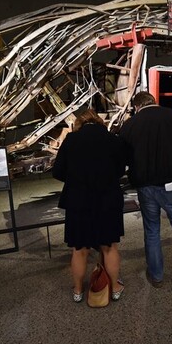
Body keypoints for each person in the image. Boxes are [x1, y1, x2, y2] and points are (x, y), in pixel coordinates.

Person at [119, 91, 172, 287]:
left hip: (146, 187)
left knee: (152, 230)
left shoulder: (130, 125)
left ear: (136, 107)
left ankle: (156, 276)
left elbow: (123, 158)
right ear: (154, 102)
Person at [52, 107, 127, 303]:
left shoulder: (71, 140)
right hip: (107, 201)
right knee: (109, 247)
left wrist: (76, 179)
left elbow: (57, 171)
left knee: (79, 249)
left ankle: (78, 290)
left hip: (78, 202)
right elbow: (120, 170)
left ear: (80, 124)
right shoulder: (113, 140)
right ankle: (115, 288)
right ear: (100, 123)